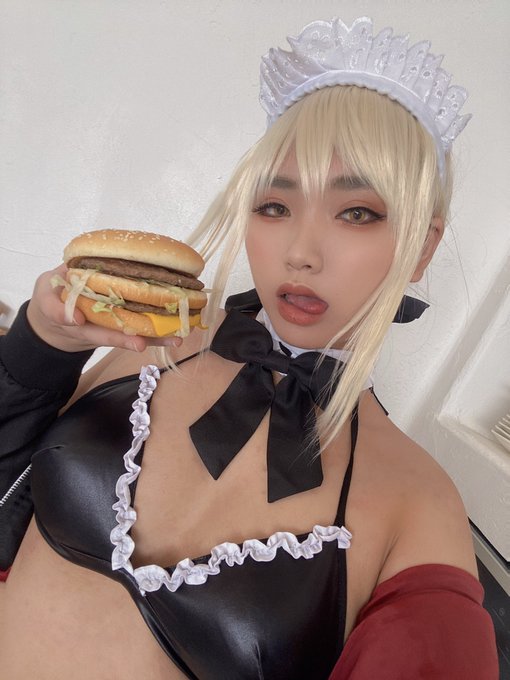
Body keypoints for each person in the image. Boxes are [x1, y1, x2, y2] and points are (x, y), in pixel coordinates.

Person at [0, 15, 499, 680]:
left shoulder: (420, 505)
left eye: (357, 213)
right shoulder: (146, 346)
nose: (301, 253)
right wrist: (40, 347)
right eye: (274, 206)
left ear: (422, 247)